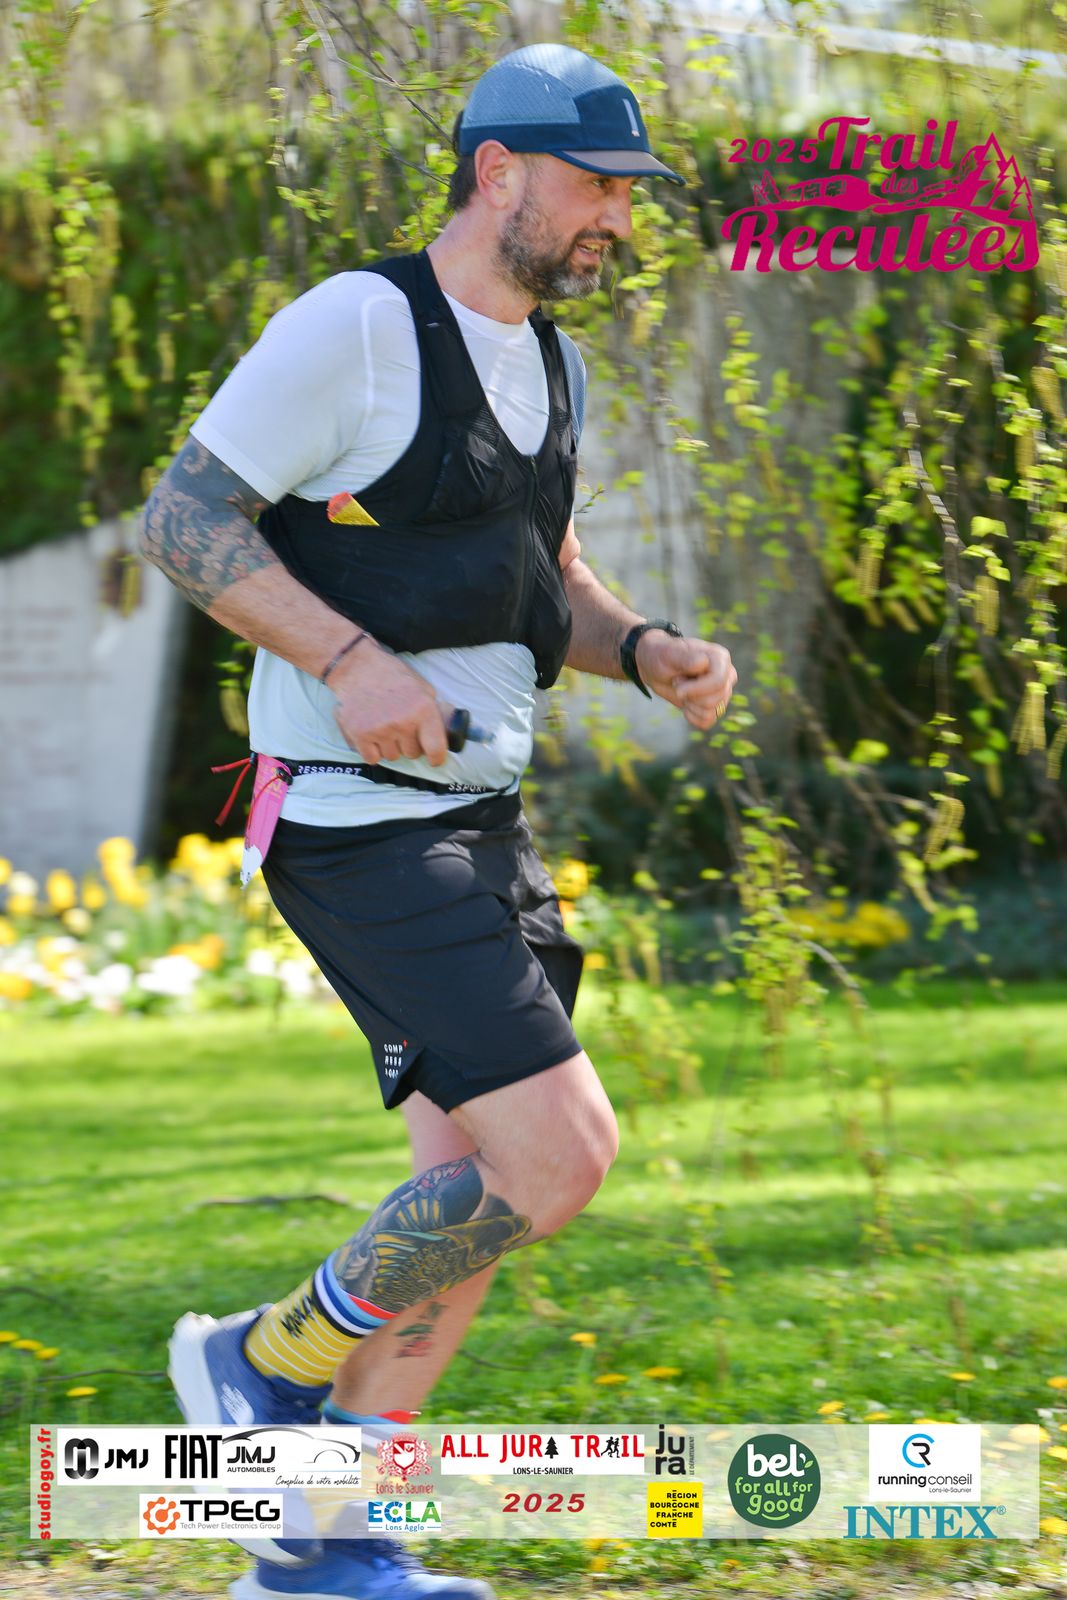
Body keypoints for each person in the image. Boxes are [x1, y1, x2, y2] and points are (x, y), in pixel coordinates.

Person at [141, 41, 736, 1600]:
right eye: (598, 186)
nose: (619, 219)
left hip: (483, 820)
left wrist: (643, 649)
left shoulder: (552, 363)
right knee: (556, 1158)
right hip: (354, 822)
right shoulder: (357, 325)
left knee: (461, 1196)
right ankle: (257, 1364)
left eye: (630, 195)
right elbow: (184, 517)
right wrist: (347, 660)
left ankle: (325, 1543)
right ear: (497, 170)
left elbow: (546, 576)